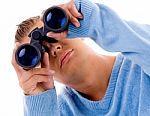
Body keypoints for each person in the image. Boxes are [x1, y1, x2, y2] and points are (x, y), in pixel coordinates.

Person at [11, 0, 150, 115]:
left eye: (53, 35)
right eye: (40, 53)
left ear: (77, 31)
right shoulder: (60, 112)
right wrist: (40, 102)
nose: (54, 49)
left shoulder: (140, 63)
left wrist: (94, 21)